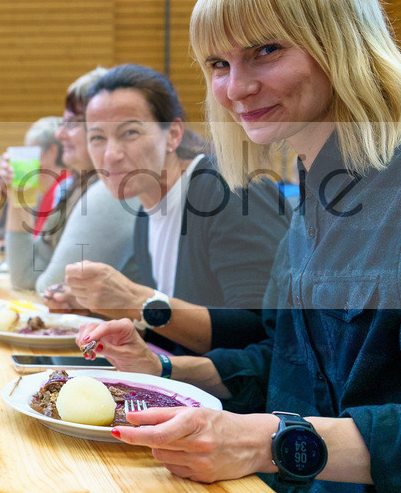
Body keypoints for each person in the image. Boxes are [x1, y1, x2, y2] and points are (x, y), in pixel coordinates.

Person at [75, 0, 401, 493]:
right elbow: (290, 372)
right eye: (218, 64)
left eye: (266, 50)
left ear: (341, 44)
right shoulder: (313, 193)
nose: (235, 87)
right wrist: (160, 371)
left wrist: (267, 441)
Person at [63, 64, 290, 354]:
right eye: (97, 137)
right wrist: (100, 311)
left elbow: (263, 333)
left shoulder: (229, 189)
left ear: (173, 134)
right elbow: (179, 335)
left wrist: (136, 299)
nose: (111, 155)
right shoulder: (145, 213)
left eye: (130, 133)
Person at [3, 69, 138, 295]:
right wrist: (16, 194)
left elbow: (50, 289)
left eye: (73, 123)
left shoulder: (111, 192)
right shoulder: (74, 187)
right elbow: (25, 276)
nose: (60, 134)